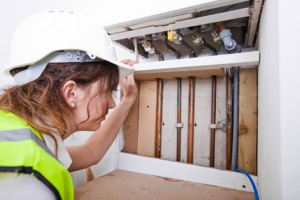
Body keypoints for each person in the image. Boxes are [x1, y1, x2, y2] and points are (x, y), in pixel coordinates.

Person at [0, 10, 137, 200]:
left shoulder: (19, 131)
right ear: (72, 92)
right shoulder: (32, 174)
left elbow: (90, 153)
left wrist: (128, 99)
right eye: (109, 90)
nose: (112, 103)